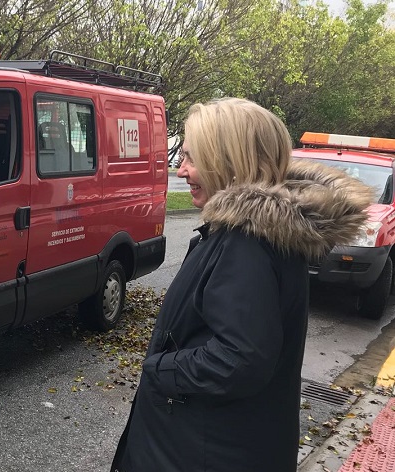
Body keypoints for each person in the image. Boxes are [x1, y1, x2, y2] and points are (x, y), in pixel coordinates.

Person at [111, 98, 374, 472]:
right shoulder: (259, 235)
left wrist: (160, 369)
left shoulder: (246, 243)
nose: (182, 170)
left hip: (202, 451)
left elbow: (240, 359)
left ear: (230, 163)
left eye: (191, 158)